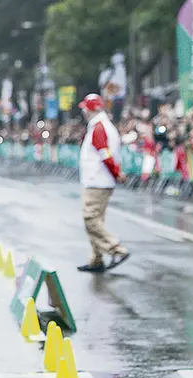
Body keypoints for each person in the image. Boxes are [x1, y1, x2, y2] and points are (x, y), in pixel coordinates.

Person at [77, 93, 130, 273]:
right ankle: (96, 258)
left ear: (91, 109)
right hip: (98, 179)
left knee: (90, 218)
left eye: (85, 107)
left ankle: (116, 249)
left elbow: (105, 154)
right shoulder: (101, 125)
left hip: (97, 180)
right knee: (96, 220)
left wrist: (116, 173)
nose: (83, 111)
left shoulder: (99, 127)